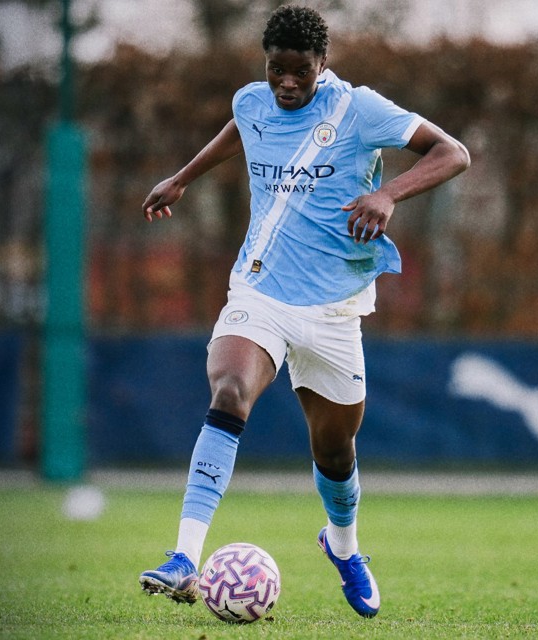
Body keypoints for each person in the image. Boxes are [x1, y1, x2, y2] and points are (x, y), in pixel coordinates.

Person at [137, 4, 469, 619]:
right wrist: (183, 178)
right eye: (276, 70)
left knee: (335, 452)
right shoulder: (253, 101)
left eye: (300, 71)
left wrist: (387, 193)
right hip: (259, 292)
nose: (286, 83)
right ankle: (185, 558)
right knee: (230, 390)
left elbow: (454, 153)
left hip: (334, 310)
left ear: (323, 64)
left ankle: (343, 547)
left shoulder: (358, 109)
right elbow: (242, 125)